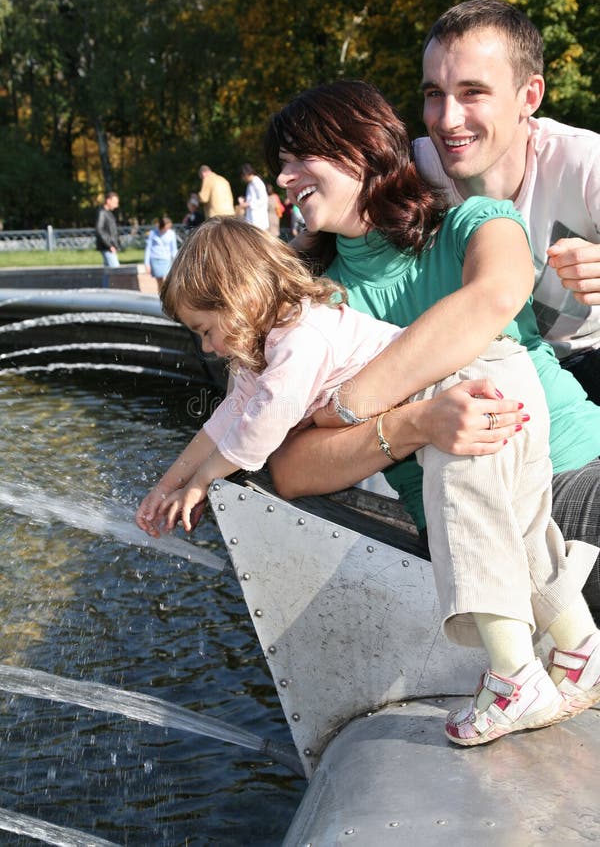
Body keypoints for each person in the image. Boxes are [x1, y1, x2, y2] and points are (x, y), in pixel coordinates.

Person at [135, 215, 600, 746]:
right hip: (495, 380)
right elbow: (223, 421)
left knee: (469, 525)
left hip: (469, 388)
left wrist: (205, 480)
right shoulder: (261, 352)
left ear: (238, 298)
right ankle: (581, 651)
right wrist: (171, 482)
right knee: (518, 530)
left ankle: (516, 679)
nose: (209, 349)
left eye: (206, 330)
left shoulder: (299, 340)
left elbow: (258, 434)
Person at [263, 80, 600, 605]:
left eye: (301, 157)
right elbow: (288, 469)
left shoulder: (476, 223)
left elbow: (495, 296)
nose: (284, 178)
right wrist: (415, 424)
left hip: (577, 459)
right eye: (282, 164)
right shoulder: (311, 307)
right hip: (481, 516)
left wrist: (345, 406)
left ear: (362, 149)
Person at [413, 0, 600, 404]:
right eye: (434, 93)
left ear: (529, 96)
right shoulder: (414, 172)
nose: (446, 120)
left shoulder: (585, 161)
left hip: (585, 360)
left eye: (472, 92)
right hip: (477, 378)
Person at [144, 215, 178, 288]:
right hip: (155, 259)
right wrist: (146, 263)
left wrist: (176, 260)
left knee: (166, 280)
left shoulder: (171, 233)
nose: (167, 229)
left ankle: (166, 296)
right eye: (166, 227)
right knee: (159, 280)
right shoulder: (152, 233)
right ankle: (161, 296)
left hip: (166, 259)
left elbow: (173, 249)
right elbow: (148, 248)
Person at [95, 192, 121, 282]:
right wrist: (109, 245)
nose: (116, 205)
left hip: (108, 247)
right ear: (108, 201)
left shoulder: (108, 213)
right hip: (107, 247)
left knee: (107, 272)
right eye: (115, 202)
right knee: (116, 271)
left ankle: (106, 290)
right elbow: (99, 230)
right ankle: (115, 291)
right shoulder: (102, 213)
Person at [239, 163, 269, 230]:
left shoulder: (257, 182)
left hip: (258, 220)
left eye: (242, 176)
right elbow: (252, 198)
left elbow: (263, 199)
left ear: (245, 174)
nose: (242, 178)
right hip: (253, 219)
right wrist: (244, 200)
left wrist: (248, 204)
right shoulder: (250, 183)